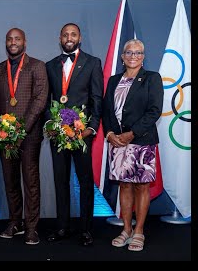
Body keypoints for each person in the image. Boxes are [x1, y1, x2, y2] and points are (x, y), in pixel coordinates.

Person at [0, 28, 49, 245]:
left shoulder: (37, 66)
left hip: (29, 135)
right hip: (5, 136)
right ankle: (15, 221)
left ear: (25, 42)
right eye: (9, 39)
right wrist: (1, 129)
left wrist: (21, 130)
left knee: (30, 181)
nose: (13, 42)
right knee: (10, 180)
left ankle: (32, 227)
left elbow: (40, 101)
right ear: (5, 43)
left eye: (17, 39)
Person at [45, 23, 103, 246]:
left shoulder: (92, 62)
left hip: (82, 133)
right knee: (61, 181)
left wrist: (92, 128)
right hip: (58, 135)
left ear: (79, 38)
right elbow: (47, 100)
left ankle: (86, 229)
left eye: (73, 34)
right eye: (65, 34)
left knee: (85, 182)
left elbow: (97, 99)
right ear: (59, 38)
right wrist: (50, 124)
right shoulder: (50, 65)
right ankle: (62, 228)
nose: (69, 38)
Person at [103, 39, 163, 252]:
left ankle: (139, 231)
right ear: (122, 56)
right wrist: (110, 134)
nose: (133, 56)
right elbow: (107, 110)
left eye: (138, 53)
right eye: (129, 52)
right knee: (125, 185)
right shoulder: (113, 80)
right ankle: (127, 229)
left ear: (143, 56)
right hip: (118, 142)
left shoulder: (152, 79)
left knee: (141, 186)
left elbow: (154, 111)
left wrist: (132, 133)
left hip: (141, 141)